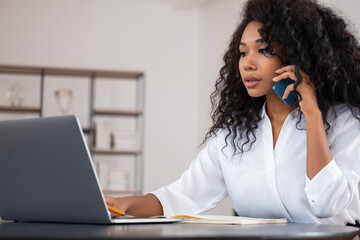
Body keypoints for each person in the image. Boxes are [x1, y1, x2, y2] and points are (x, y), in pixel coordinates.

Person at [106, 0, 360, 226]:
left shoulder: (344, 123)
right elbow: (182, 196)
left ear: (296, 56)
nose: (247, 63)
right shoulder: (235, 134)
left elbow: (326, 204)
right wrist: (122, 204)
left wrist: (312, 115)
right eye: (242, 52)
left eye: (263, 50)